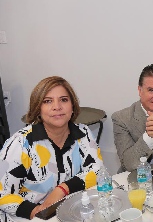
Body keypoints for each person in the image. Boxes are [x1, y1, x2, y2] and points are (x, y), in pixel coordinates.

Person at [0, 76, 103, 221]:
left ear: (72, 106)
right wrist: (37, 212)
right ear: (38, 109)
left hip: (68, 212)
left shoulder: (83, 133)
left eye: (64, 100)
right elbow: (2, 193)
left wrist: (63, 189)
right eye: (48, 101)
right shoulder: (21, 143)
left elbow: (98, 171)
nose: (57, 106)